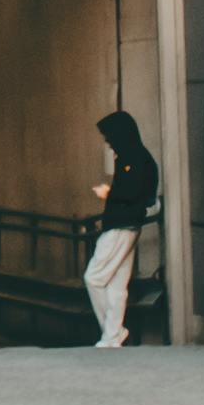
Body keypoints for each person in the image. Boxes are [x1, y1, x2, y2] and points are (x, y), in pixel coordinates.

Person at [82, 110, 164, 350]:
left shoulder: (132, 158)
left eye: (108, 135)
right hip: (129, 223)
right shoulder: (137, 155)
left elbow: (130, 192)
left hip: (121, 224)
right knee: (117, 285)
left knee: (94, 277)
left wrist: (108, 194)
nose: (107, 141)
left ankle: (113, 333)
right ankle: (112, 336)